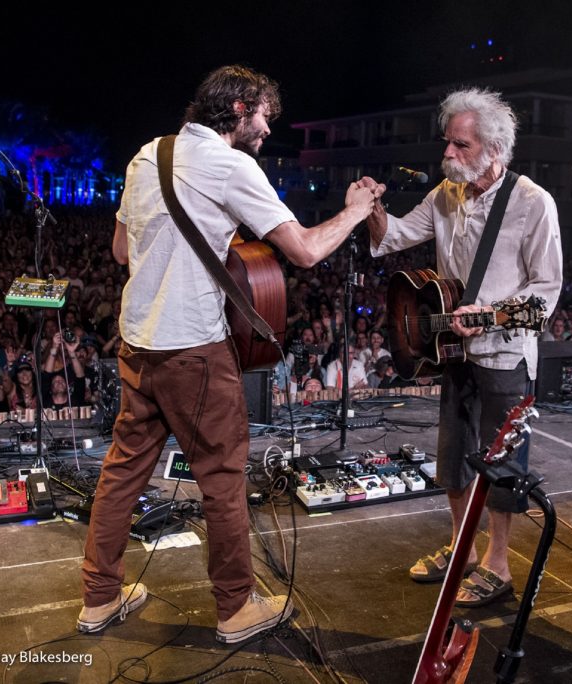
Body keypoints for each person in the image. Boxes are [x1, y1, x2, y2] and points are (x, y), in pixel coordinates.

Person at [78, 65, 376, 641]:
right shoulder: (232, 163)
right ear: (239, 109)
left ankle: (99, 599)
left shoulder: (148, 155)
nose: (268, 129)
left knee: (121, 475)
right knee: (221, 477)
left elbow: (120, 251)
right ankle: (236, 609)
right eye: (265, 115)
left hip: (138, 346)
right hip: (193, 349)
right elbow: (307, 251)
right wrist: (357, 210)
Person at [358, 87, 562, 607]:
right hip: (454, 353)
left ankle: (498, 564)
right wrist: (373, 207)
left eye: (461, 146)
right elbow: (392, 238)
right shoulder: (446, 196)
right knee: (453, 459)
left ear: (494, 149)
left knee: (503, 464)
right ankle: (462, 547)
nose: (447, 154)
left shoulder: (533, 203)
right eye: (448, 143)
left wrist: (491, 316)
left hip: (505, 356)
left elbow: (545, 294)